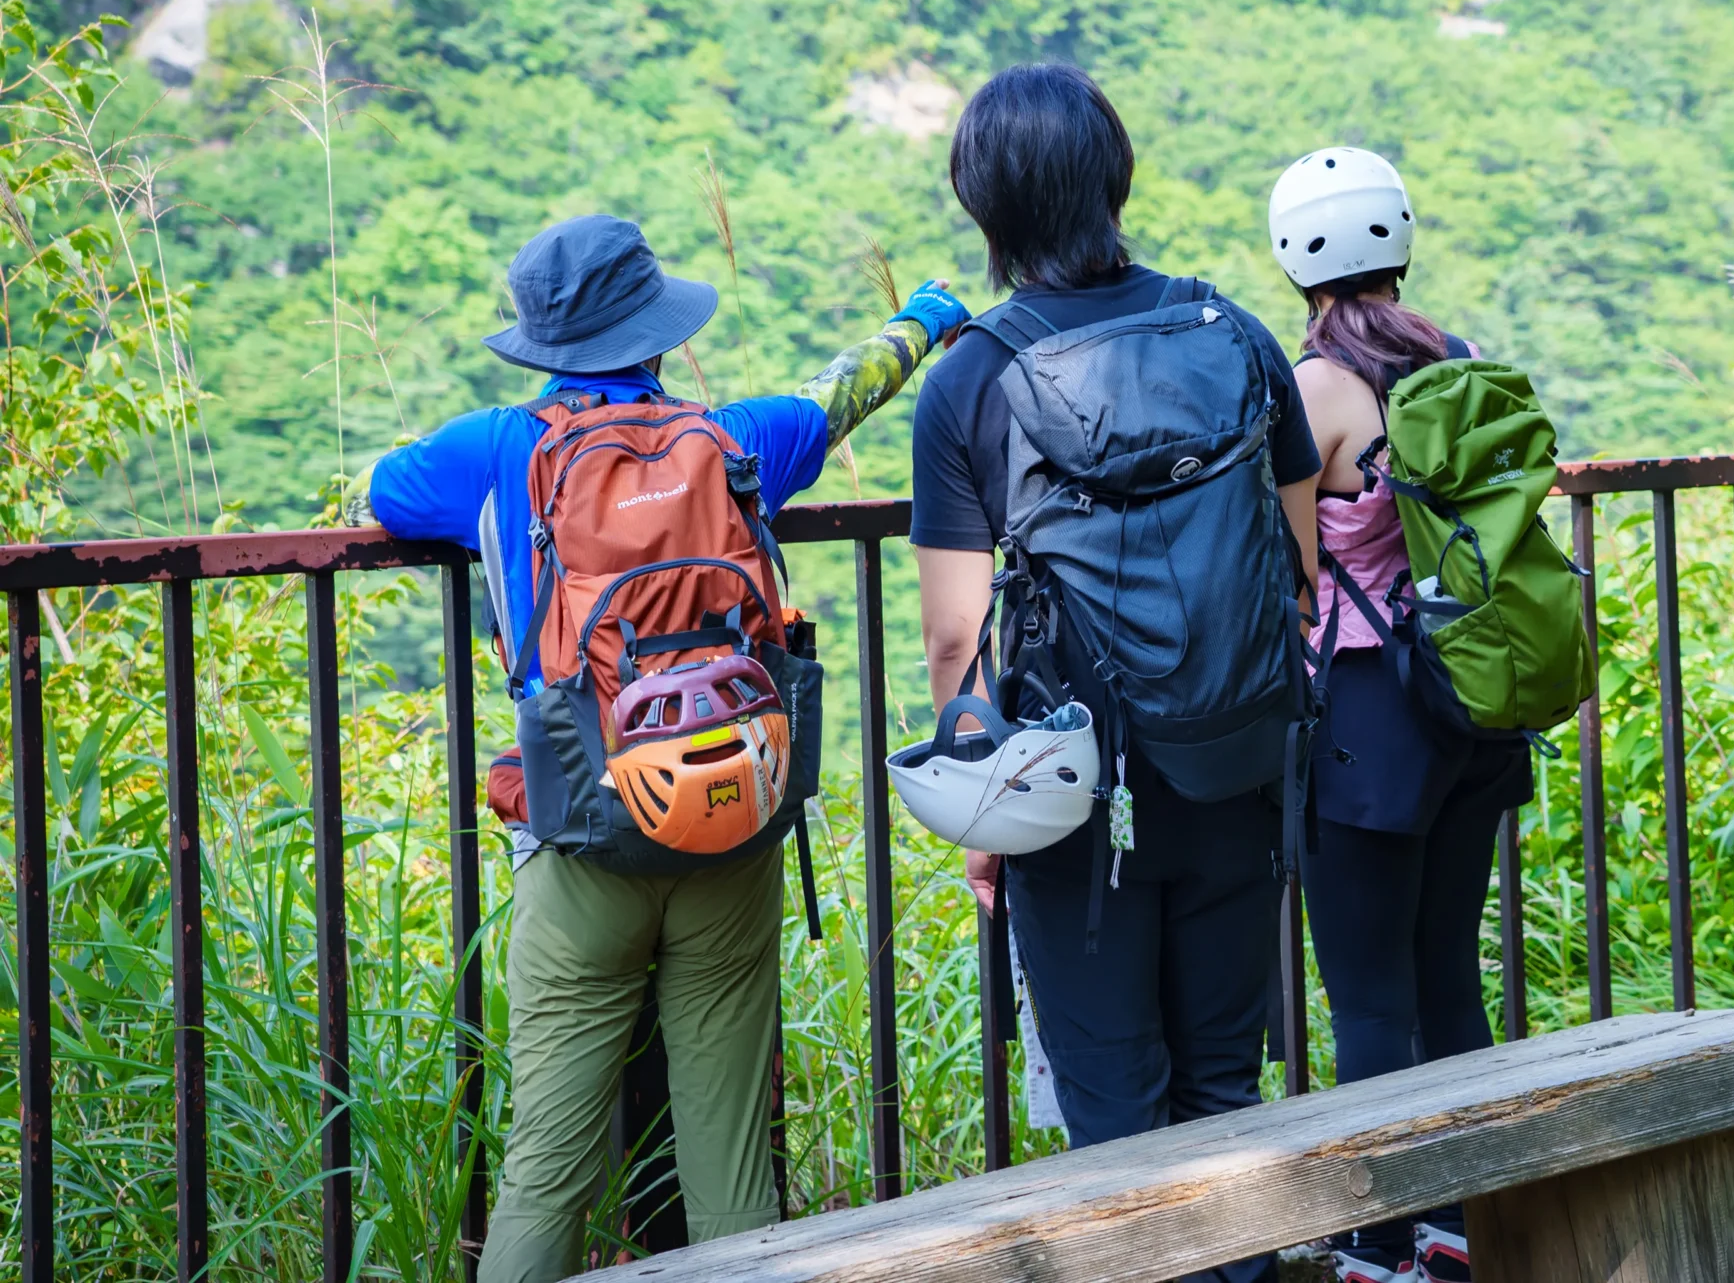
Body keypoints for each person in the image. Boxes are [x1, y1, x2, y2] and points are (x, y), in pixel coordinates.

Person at [358, 213, 969, 1283]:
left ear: (546, 345)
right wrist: (924, 316)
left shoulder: (497, 451)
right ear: (655, 334)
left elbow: (384, 490)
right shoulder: (740, 442)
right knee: (732, 1163)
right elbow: (846, 389)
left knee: (550, 1166)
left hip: (581, 837)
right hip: (730, 822)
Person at [910, 64, 1321, 1283]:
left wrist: (981, 810)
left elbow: (951, 637)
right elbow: (1294, 563)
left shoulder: (972, 380)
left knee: (1112, 1110)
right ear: (1114, 177)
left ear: (984, 204)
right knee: (1220, 1087)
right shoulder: (1232, 333)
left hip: (1068, 797)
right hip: (1239, 765)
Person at [1268, 148, 1531, 1283]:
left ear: (1294, 257)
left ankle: (1380, 1242)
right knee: (1447, 976)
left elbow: (1285, 568)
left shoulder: (1311, 391)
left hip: (1365, 715)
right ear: (1402, 239)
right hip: (1469, 701)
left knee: (1367, 998)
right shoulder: (1464, 362)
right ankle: (1463, 1226)